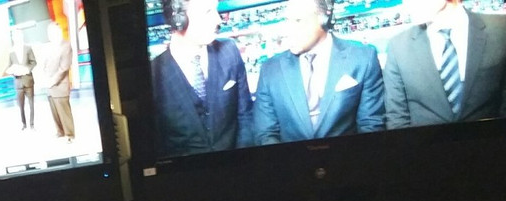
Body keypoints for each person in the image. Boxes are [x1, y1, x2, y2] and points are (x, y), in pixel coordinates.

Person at [253, 0, 385, 145]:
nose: (287, 31)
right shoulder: (270, 69)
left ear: (324, 20)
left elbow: (371, 125)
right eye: (287, 20)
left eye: (298, 20)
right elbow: (266, 133)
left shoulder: (363, 58)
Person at [151, 0, 253, 157]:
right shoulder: (154, 74)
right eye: (207, 12)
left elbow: (245, 115)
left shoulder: (229, 51)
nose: (218, 19)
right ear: (178, 19)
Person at [384, 0, 506, 129]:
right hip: (424, 141)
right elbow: (396, 116)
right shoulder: (398, 46)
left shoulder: (500, 30)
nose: (407, 3)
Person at [40, 22, 75, 142]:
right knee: (54, 111)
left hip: (60, 85)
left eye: (52, 32)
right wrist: (45, 78)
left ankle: (70, 135)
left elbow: (64, 68)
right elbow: (44, 64)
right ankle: (60, 131)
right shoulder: (48, 47)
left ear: (58, 32)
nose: (50, 35)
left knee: (64, 112)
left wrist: (52, 81)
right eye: (49, 32)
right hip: (50, 86)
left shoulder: (66, 45)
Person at [6, 29, 37, 130]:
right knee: (21, 105)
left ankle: (32, 124)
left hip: (28, 81)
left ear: (21, 36)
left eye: (18, 35)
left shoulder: (28, 48)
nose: (16, 38)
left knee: (31, 104)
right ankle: (24, 124)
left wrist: (26, 69)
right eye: (14, 36)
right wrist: (12, 71)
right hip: (18, 82)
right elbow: (9, 66)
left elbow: (33, 62)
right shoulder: (11, 51)